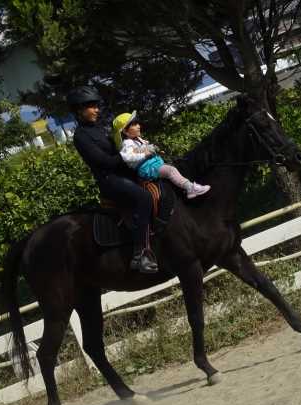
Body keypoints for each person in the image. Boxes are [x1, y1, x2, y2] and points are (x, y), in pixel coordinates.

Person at [67, 86, 158, 274]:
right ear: (79, 110)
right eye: (92, 106)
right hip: (109, 180)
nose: (97, 110)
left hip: (121, 173)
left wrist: (141, 152)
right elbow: (104, 161)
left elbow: (119, 150)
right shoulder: (80, 137)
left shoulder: (98, 129)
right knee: (143, 197)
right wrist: (129, 156)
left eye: (96, 106)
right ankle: (140, 253)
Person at [112, 111, 211, 199]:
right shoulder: (127, 143)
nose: (138, 126)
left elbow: (144, 148)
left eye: (137, 123)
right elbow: (127, 157)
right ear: (125, 131)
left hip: (154, 163)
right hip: (147, 168)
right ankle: (190, 188)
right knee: (170, 170)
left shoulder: (138, 139)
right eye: (134, 125)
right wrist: (144, 154)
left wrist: (155, 150)